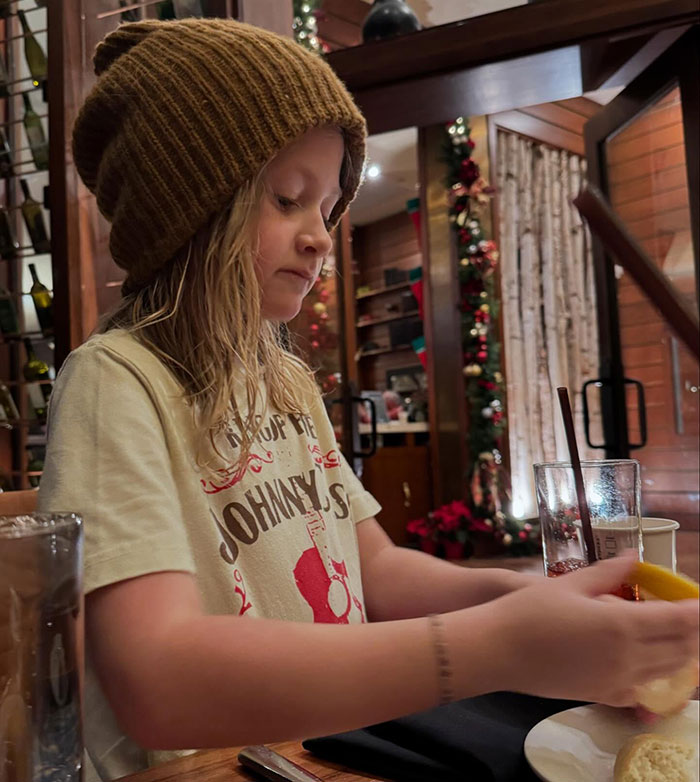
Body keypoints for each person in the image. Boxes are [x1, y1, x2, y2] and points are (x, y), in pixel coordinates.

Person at [38, 17, 699, 782]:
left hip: (317, 752)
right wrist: (500, 646)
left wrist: (527, 599)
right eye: (287, 198)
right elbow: (158, 678)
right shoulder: (116, 384)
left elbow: (376, 573)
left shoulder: (281, 382)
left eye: (326, 209)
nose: (321, 237)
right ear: (183, 213)